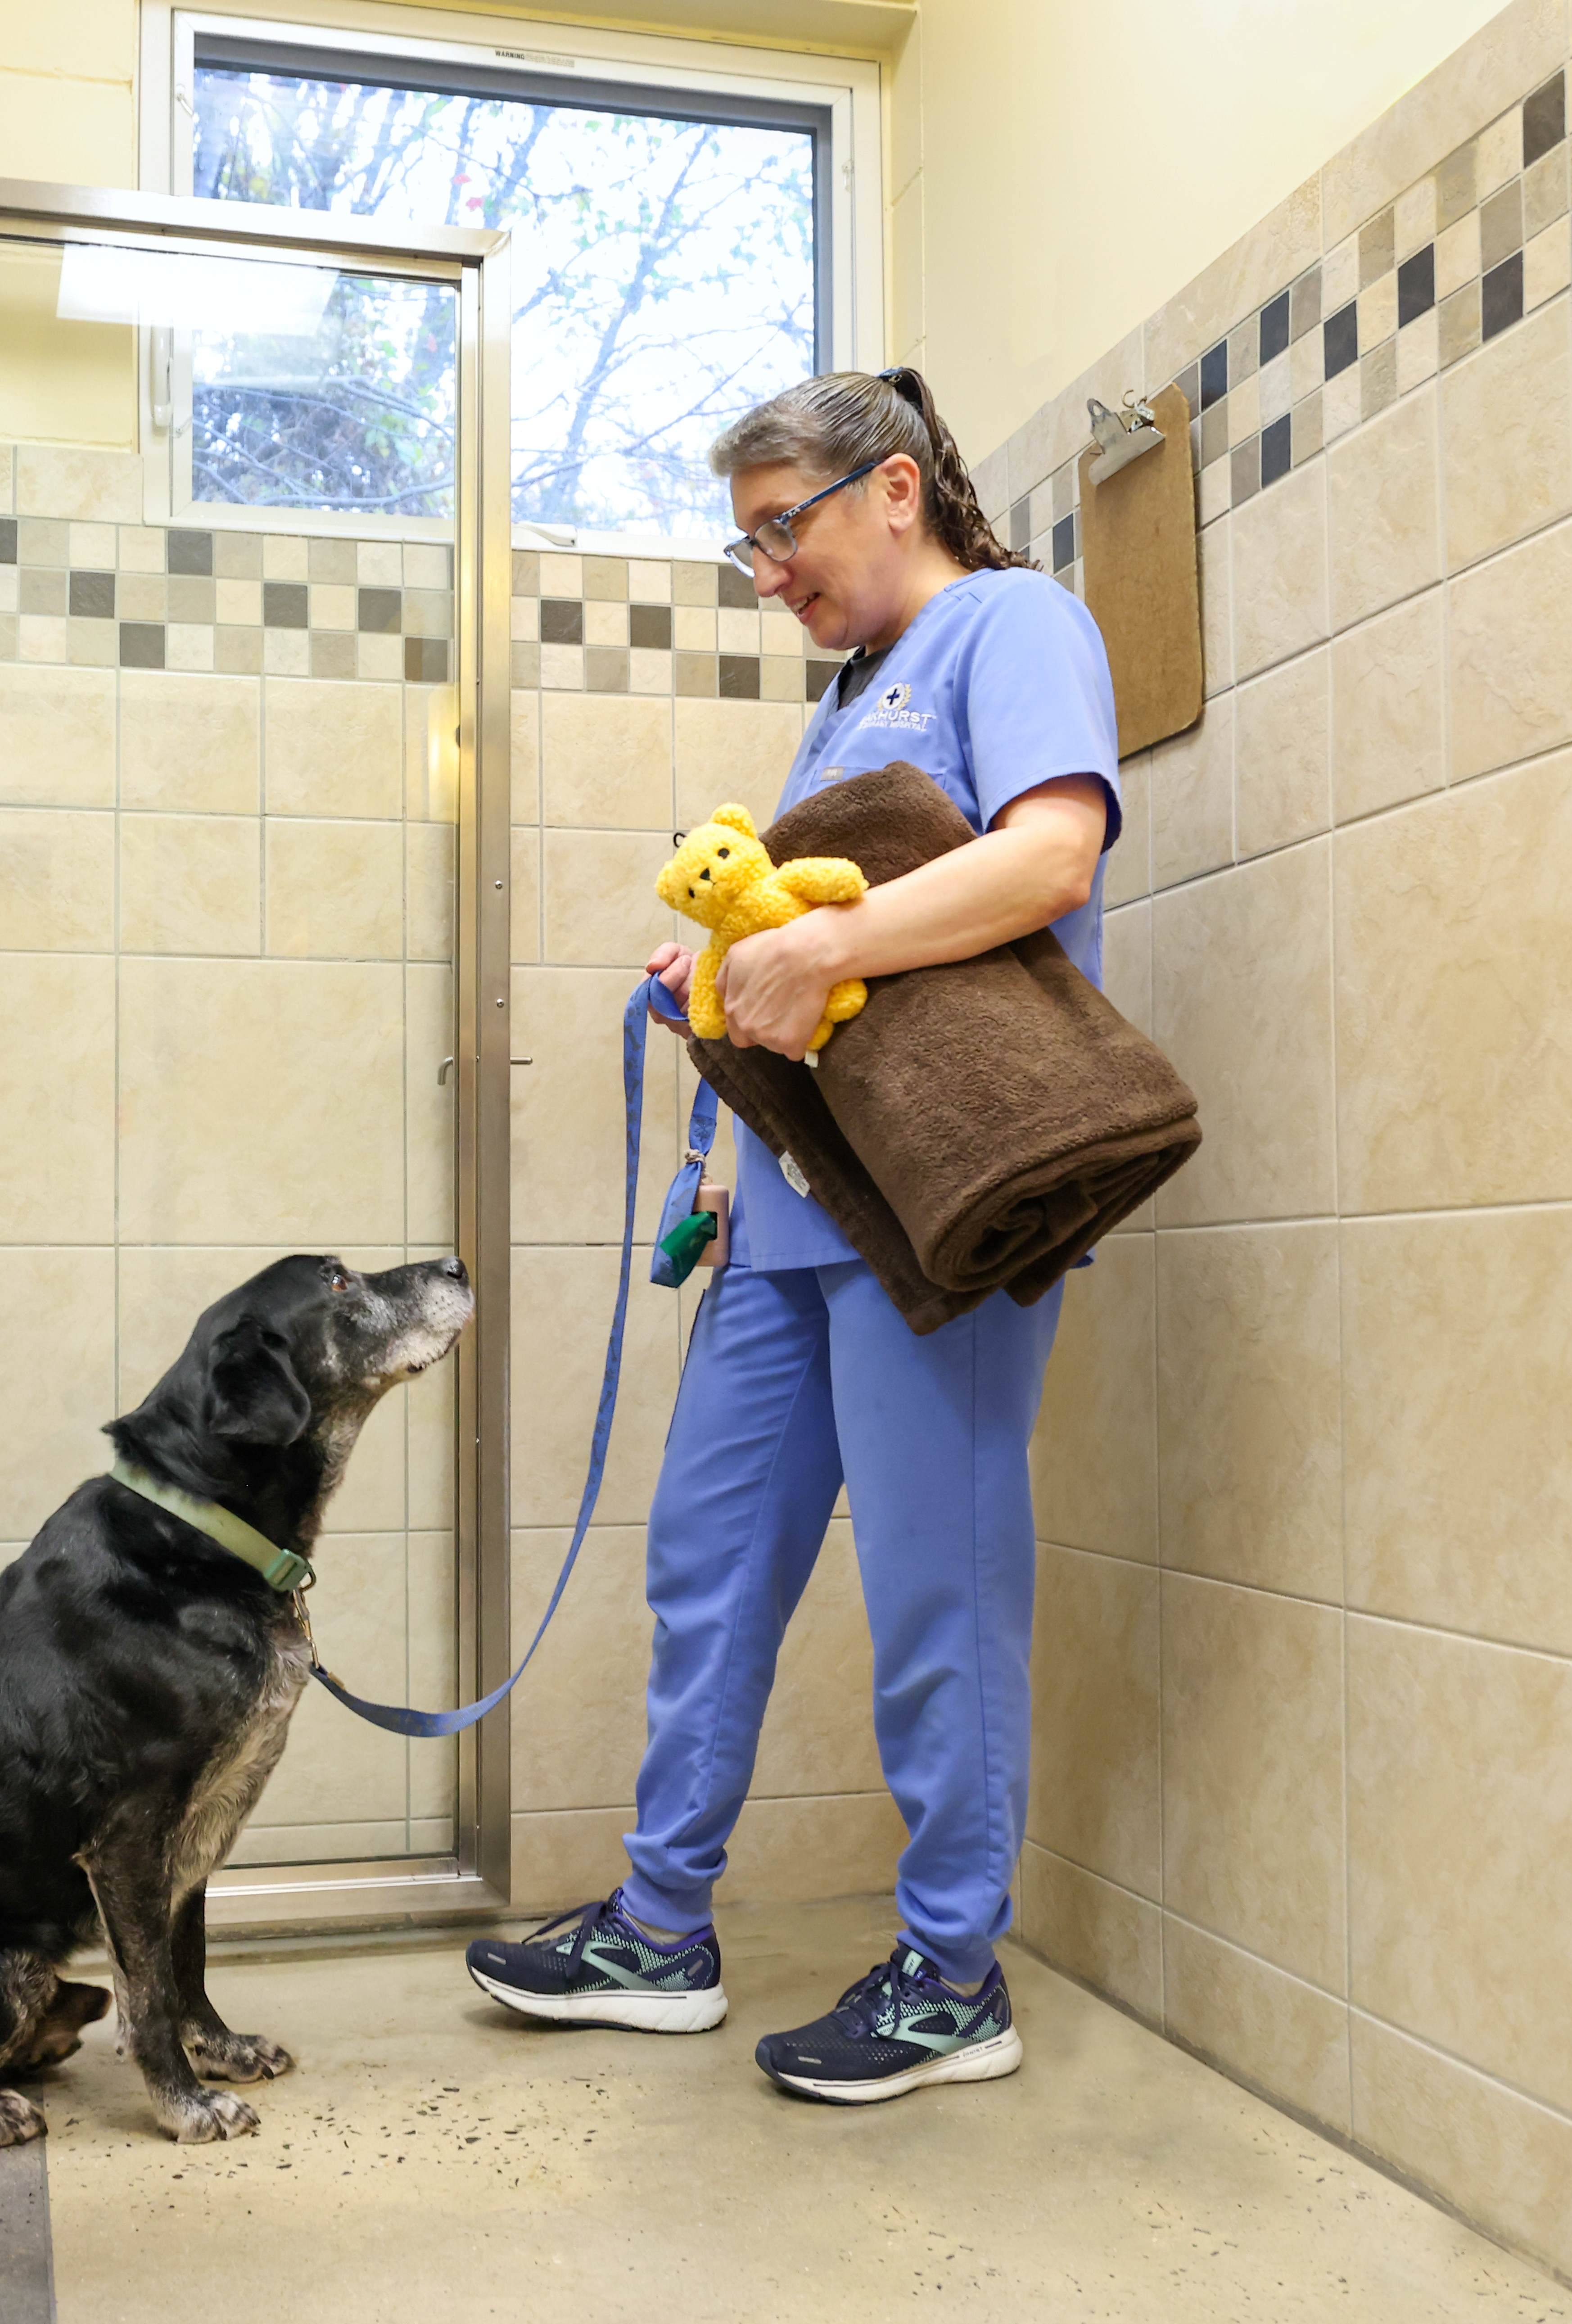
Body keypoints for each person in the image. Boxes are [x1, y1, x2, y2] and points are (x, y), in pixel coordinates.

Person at [465, 366, 1117, 2103]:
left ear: (892, 489)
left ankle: (954, 1974)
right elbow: (817, 948)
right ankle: (659, 1928)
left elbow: (1048, 860)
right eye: (746, 542)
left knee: (935, 1593)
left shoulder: (1012, 625)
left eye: (783, 529)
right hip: (788, 1210)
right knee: (709, 1565)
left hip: (942, 1208)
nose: (769, 571)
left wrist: (822, 952)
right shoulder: (848, 703)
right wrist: (720, 1100)